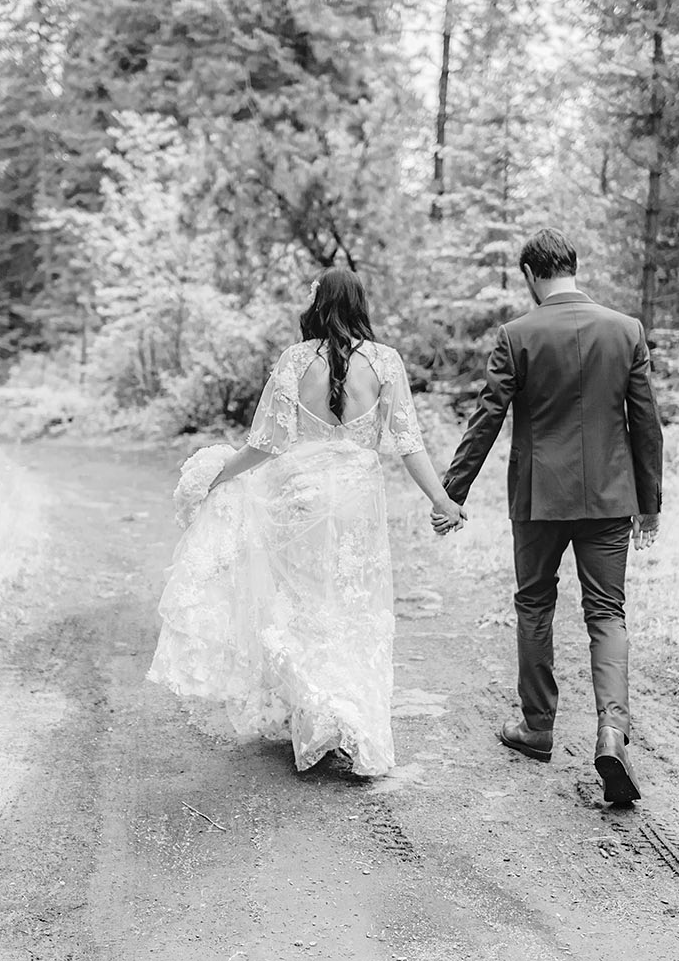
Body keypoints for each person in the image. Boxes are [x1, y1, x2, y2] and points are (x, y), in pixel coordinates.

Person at [147, 268, 464, 777]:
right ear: (360, 304)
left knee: (305, 604)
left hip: (300, 500)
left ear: (319, 304)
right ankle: (351, 718)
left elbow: (266, 444)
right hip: (359, 504)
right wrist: (441, 499)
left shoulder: (296, 361)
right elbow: (408, 444)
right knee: (354, 607)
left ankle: (318, 712)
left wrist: (217, 477)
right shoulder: (385, 362)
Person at [440, 228, 664, 804]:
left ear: (533, 276)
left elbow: (487, 419)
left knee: (535, 603)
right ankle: (612, 730)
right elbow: (646, 423)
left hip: (539, 501)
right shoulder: (625, 330)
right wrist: (649, 504)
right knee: (607, 613)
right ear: (572, 267)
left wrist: (452, 492)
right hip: (611, 499)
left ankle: (537, 726)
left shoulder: (518, 335)